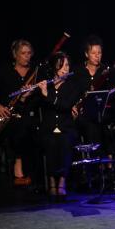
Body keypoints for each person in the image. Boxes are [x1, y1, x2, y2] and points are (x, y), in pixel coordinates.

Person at [0, 39, 38, 186]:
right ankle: (19, 167)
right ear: (15, 54)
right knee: (20, 128)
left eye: (29, 53)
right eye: (23, 53)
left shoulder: (35, 71)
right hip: (9, 115)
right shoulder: (5, 71)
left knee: (30, 126)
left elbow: (39, 99)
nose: (27, 56)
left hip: (29, 114)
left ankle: (33, 172)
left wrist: (25, 98)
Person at [37, 52, 80, 201]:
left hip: (66, 128)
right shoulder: (45, 85)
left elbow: (65, 106)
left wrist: (46, 95)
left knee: (65, 142)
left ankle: (62, 180)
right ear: (54, 67)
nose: (64, 69)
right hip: (48, 128)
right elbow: (38, 105)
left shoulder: (73, 86)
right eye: (61, 65)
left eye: (67, 65)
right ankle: (51, 180)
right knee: (49, 142)